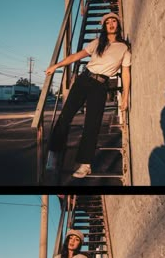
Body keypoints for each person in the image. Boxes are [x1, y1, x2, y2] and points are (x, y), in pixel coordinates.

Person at [45, 12, 131, 178]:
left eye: (114, 21)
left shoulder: (124, 48)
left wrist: (125, 97)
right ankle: (54, 154)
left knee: (92, 124)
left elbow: (126, 73)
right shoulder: (98, 42)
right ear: (104, 26)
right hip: (84, 80)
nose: (111, 24)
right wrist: (56, 66)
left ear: (118, 25)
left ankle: (85, 164)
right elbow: (77, 55)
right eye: (108, 22)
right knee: (65, 116)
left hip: (100, 86)